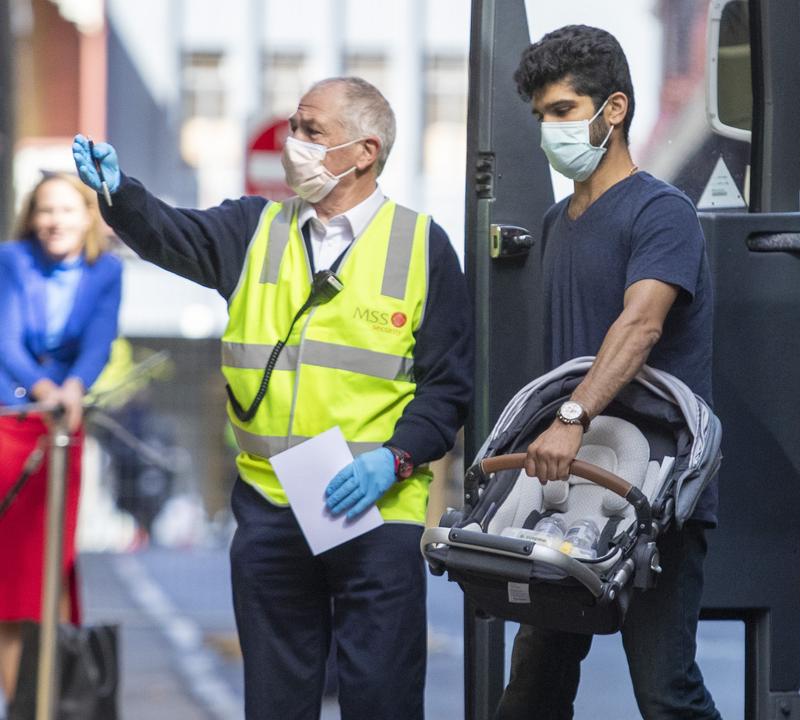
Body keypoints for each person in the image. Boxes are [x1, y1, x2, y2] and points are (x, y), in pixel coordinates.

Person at [71, 76, 472, 720]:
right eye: (294, 127)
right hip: (271, 510)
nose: (294, 144)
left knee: (383, 699)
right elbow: (173, 234)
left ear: (365, 151)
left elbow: (448, 387)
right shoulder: (254, 228)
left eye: (312, 132)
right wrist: (121, 193)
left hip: (377, 512)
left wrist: (394, 459)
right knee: (276, 702)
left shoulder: (423, 245)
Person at [494, 26, 720, 720]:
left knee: (665, 694)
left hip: (652, 495)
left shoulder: (661, 212)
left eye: (563, 111)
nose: (550, 131)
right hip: (568, 492)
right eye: (542, 117)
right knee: (533, 689)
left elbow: (640, 327)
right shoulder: (559, 222)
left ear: (612, 109)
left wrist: (570, 420)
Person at [0, 173, 123, 700]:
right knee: (10, 578)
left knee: (52, 570)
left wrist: (72, 389)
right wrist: (47, 387)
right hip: (9, 423)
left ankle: (45, 698)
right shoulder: (10, 261)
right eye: (45, 211)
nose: (55, 222)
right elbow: (5, 341)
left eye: (67, 211)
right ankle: (16, 697)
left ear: (89, 216)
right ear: (31, 216)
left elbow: (99, 342)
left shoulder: (107, 271)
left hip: (61, 431)